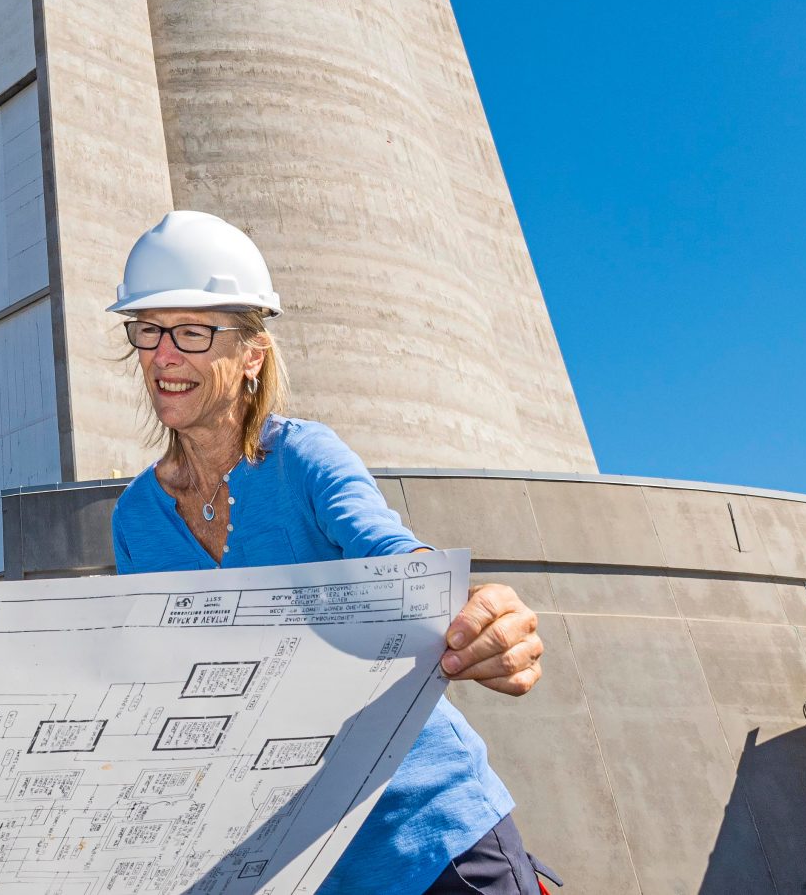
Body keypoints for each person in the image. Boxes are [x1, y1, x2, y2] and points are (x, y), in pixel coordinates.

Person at [107, 211, 555, 895]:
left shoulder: (304, 458)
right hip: (294, 861)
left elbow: (392, 552)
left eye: (193, 331)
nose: (163, 354)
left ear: (252, 352)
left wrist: (471, 610)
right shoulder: (136, 519)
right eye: (148, 329)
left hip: (427, 834)